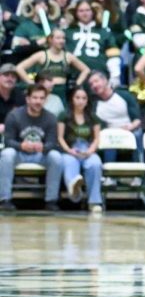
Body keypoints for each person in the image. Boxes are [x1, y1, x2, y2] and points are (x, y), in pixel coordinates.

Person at [0, 83, 65, 211]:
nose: (38, 101)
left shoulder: (51, 118)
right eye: (35, 98)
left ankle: (51, 200)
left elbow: (52, 142)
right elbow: (8, 141)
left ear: (45, 100)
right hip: (19, 154)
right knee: (7, 154)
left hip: (40, 154)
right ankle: (4, 199)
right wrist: (21, 145)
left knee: (56, 157)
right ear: (28, 99)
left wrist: (44, 146)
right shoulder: (14, 116)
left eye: (41, 98)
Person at [57, 84, 103, 214]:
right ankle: (75, 192)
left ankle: (94, 202)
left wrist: (90, 151)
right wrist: (69, 150)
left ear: (87, 100)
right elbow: (60, 138)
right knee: (69, 162)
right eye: (77, 97)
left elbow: (96, 139)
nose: (81, 101)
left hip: (87, 150)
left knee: (95, 163)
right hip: (70, 150)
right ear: (72, 99)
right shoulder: (63, 116)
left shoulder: (94, 117)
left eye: (84, 98)